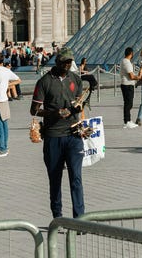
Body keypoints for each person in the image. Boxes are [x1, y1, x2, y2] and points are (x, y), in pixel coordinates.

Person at [30, 47, 86, 219]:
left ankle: (79, 218)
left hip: (74, 134)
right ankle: (58, 217)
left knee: (76, 178)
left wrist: (79, 108)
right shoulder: (44, 82)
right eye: (65, 62)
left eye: (70, 62)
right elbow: (34, 110)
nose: (68, 65)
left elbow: (79, 103)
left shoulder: (76, 79)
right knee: (55, 180)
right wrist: (54, 113)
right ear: (57, 62)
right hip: (53, 136)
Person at [0, 52, 21, 157]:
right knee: (4, 124)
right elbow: (18, 80)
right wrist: (7, 84)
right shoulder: (6, 70)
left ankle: (1, 149)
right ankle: (5, 147)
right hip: (4, 100)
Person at [120, 47, 139, 128]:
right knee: (128, 104)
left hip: (125, 84)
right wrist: (139, 77)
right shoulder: (127, 62)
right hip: (127, 85)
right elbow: (131, 76)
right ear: (131, 53)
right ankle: (127, 121)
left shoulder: (123, 61)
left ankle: (128, 120)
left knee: (128, 103)